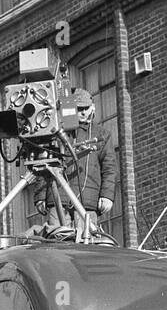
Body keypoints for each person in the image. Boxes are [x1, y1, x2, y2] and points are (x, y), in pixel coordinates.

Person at [33, 87, 115, 233]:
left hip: (87, 200)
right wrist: (40, 195)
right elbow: (44, 164)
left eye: (86, 108)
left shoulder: (102, 134)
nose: (83, 112)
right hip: (58, 197)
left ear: (92, 108)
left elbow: (109, 169)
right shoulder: (56, 133)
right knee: (58, 240)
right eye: (79, 109)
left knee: (86, 244)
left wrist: (107, 196)